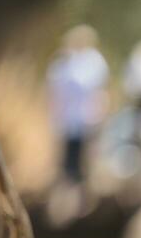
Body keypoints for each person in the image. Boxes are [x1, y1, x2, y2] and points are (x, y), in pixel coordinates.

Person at [46, 25, 108, 184]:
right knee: (68, 159)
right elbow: (54, 89)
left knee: (87, 158)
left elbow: (98, 89)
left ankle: (86, 190)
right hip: (68, 118)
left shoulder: (94, 61)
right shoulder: (63, 62)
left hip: (88, 117)